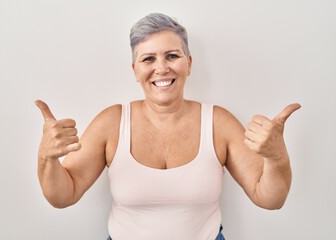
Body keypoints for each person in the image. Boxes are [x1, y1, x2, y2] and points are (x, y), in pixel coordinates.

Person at [35, 13, 301, 240]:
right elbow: (63, 195)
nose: (161, 68)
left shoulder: (219, 123)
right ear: (134, 70)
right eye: (148, 59)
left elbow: (269, 199)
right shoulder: (112, 123)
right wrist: (46, 157)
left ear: (189, 64)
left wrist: (277, 157)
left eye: (172, 56)